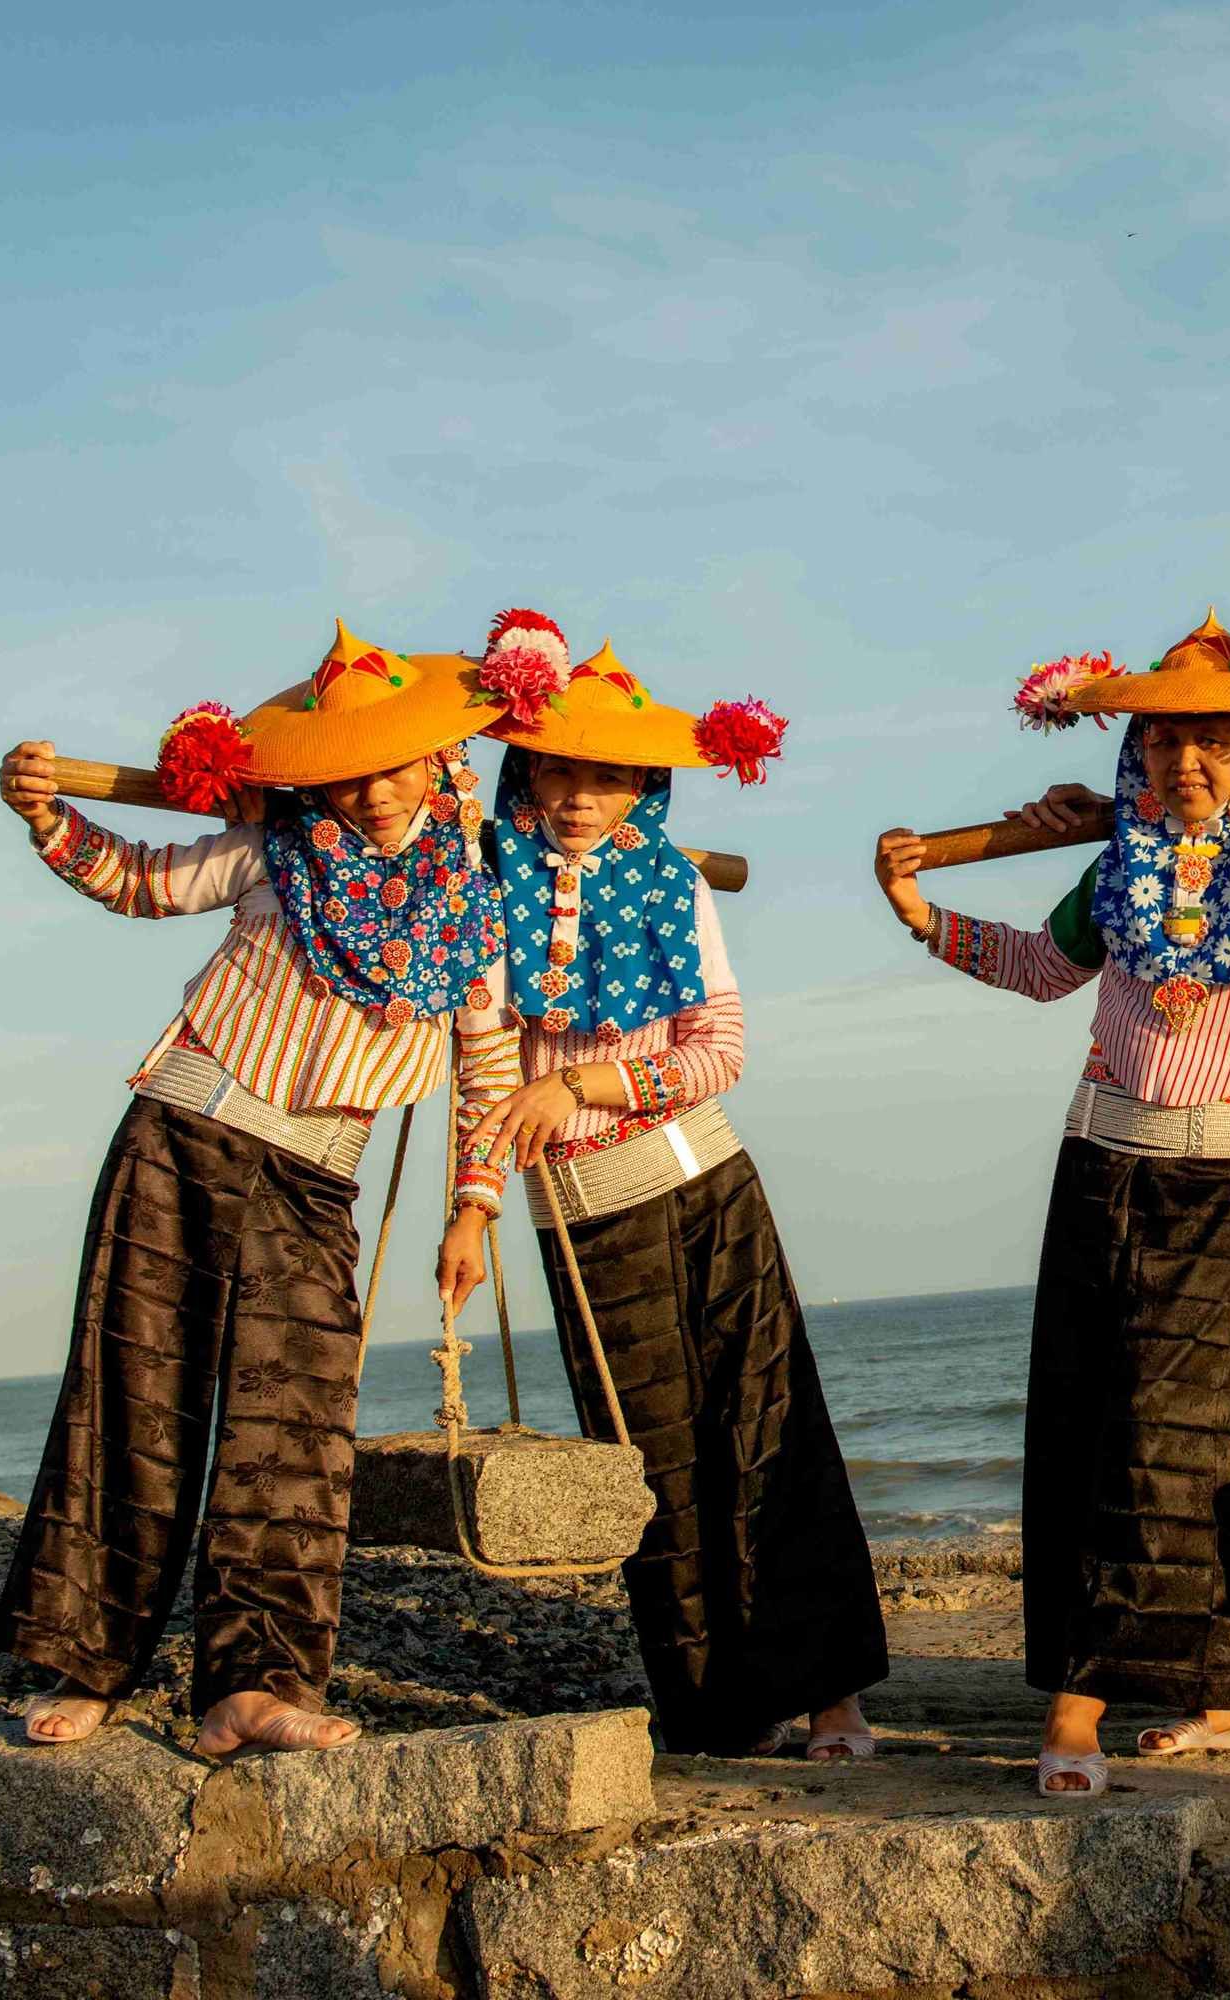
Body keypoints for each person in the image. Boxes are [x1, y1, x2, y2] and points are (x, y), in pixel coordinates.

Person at [872, 612, 1230, 1798]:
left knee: (1171, 1430)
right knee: (1086, 1418)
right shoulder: (1117, 869)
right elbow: (1038, 970)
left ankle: (1082, 1702)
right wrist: (916, 910)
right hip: (1096, 1160)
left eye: (1214, 737)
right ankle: (1220, 1685)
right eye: (1164, 740)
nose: (1185, 762)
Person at [0, 620, 524, 1757]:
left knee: (293, 1433)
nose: (374, 791)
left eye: (396, 763)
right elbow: (135, 880)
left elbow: (490, 1063)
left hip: (315, 1176)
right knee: (133, 1395)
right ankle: (89, 1663)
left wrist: (473, 1204)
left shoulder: (477, 903)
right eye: (349, 770)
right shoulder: (272, 849)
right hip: (183, 1127)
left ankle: (252, 1684)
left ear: (442, 762)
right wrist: (47, 816)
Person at [459, 620, 887, 1760]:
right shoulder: (482, 890)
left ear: (642, 782)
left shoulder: (676, 885)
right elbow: (483, 1061)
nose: (581, 796)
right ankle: (715, 1708)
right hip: (579, 1218)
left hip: (706, 1188)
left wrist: (593, 1078)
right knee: (651, 1463)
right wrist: (476, 1199)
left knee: (769, 1434)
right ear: (525, 770)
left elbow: (720, 1049)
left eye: (608, 774)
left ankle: (835, 1691)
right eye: (558, 767)